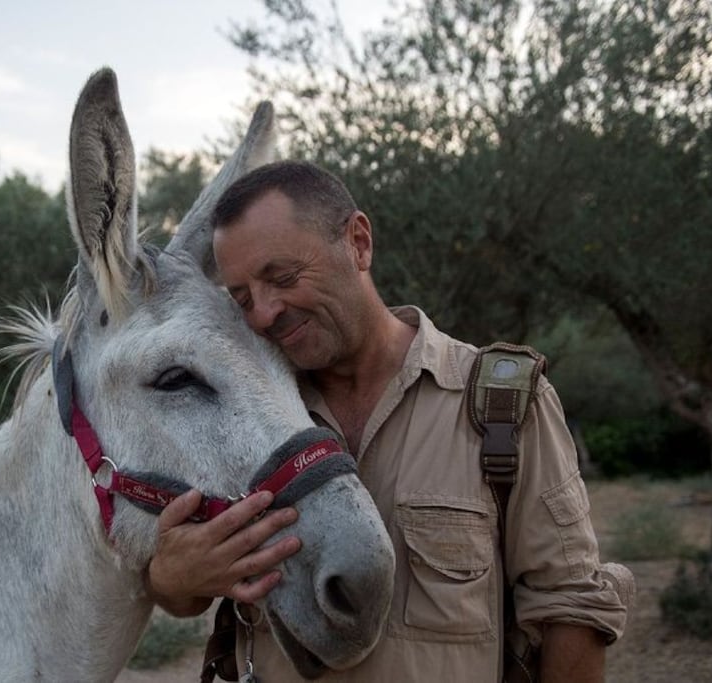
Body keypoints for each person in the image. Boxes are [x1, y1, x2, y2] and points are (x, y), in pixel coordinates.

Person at [144, 160, 632, 682]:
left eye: (283, 277)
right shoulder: (238, 413)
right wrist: (172, 578)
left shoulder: (502, 403)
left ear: (358, 242)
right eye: (241, 299)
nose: (263, 313)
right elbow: (183, 589)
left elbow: (570, 606)